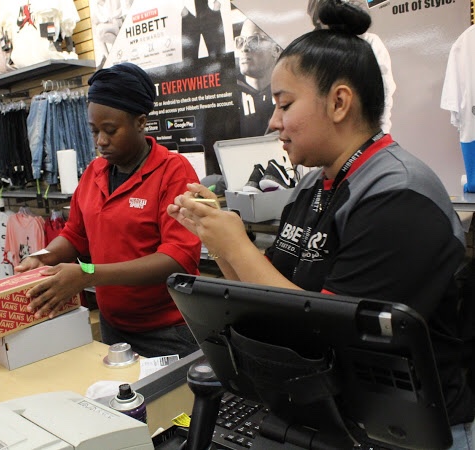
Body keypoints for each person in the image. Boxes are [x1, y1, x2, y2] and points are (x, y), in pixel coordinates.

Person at [168, 0, 475, 446]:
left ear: (339, 102)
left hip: (407, 433)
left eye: (284, 104)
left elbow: (321, 336)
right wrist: (216, 234)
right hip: (334, 419)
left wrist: (235, 245)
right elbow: (263, 302)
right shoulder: (313, 185)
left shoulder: (400, 196)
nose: (273, 122)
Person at [15, 62, 202, 358]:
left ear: (140, 122)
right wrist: (41, 257)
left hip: (169, 331)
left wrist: (88, 274)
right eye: (94, 131)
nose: (101, 141)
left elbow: (177, 260)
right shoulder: (95, 172)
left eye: (110, 131)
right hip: (113, 327)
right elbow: (75, 235)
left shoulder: (173, 172)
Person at [308, 0, 395, 134]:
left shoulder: (370, 43)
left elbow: (384, 92)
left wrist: (380, 133)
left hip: (363, 132)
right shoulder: (308, 48)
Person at [235, 18, 282, 137]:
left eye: (254, 41)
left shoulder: (291, 91)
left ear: (276, 50)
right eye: (240, 41)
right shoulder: (230, 97)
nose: (244, 48)